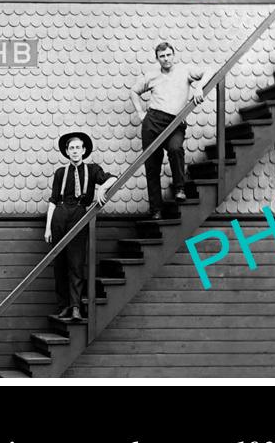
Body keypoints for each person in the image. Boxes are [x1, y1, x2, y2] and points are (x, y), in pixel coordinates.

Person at [131, 42, 212, 219]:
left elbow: (209, 71)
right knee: (152, 166)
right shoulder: (152, 76)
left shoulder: (185, 71)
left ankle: (179, 188)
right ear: (157, 59)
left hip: (175, 121)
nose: (166, 59)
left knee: (176, 149)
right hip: (153, 122)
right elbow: (134, 91)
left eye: (168, 55)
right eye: (162, 56)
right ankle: (156, 210)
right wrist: (140, 113)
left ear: (173, 55)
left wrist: (199, 87)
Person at [44, 131, 118, 322]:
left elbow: (113, 178)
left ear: (84, 150)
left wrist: (101, 188)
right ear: (67, 152)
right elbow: (53, 201)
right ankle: (64, 306)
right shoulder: (61, 173)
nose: (75, 151)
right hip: (60, 215)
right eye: (71, 148)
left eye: (78, 148)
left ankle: (76, 307)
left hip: (79, 214)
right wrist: (48, 228)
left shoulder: (93, 170)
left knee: (76, 262)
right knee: (59, 263)